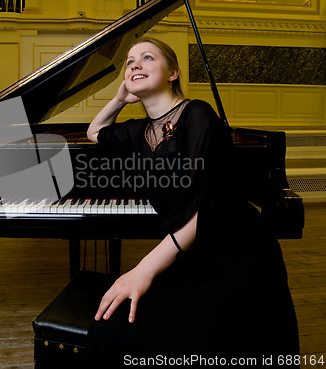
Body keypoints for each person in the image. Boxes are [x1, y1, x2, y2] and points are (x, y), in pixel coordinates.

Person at [85, 37, 300, 368]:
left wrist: (143, 269)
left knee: (191, 339)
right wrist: (118, 99)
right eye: (129, 61)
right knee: (111, 330)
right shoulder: (136, 132)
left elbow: (206, 206)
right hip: (189, 251)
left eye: (147, 58)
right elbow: (95, 131)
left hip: (235, 249)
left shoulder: (197, 113)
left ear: (173, 73)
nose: (135, 65)